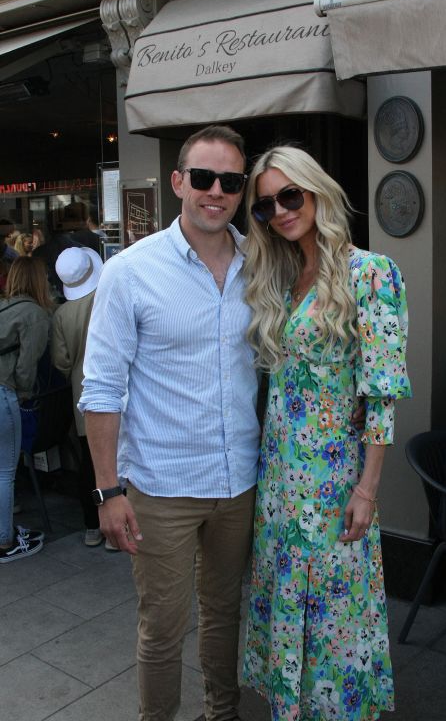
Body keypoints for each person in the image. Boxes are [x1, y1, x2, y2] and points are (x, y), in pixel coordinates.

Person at [79, 125, 260, 721]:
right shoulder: (131, 271)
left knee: (225, 612)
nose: (216, 192)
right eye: (203, 178)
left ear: (241, 190)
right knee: (162, 628)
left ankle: (222, 712)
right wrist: (109, 490)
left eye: (230, 181)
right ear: (178, 182)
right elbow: (101, 389)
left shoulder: (260, 265)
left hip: (238, 481)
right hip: (161, 485)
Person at [242, 146, 411, 721]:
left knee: (335, 619)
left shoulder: (371, 273)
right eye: (266, 206)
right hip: (279, 482)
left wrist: (367, 489)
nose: (281, 211)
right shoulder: (285, 275)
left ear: (316, 191)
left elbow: (382, 395)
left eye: (290, 195)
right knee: (287, 603)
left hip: (335, 482)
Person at [51, 247, 105, 548]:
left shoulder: (61, 314)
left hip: (83, 394)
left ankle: (92, 526)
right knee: (123, 459)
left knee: (90, 461)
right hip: (121, 390)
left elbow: (61, 361)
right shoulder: (107, 296)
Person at [0, 257, 52, 563]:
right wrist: (24, 393)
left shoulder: (4, 307)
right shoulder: (34, 314)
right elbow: (26, 366)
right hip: (4, 393)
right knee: (5, 473)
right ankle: (5, 541)